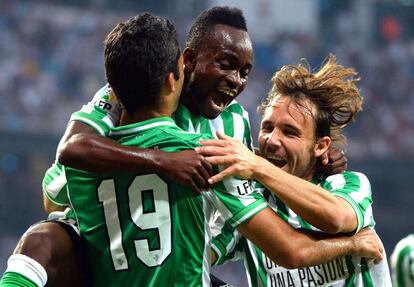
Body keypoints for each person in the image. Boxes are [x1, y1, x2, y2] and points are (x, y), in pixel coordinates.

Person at [0, 7, 378, 287]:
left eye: (244, 72)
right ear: (186, 62)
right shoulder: (125, 96)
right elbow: (69, 158)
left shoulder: (233, 125)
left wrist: (305, 162)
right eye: (227, 65)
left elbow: (58, 185)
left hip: (189, 249)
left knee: (40, 241)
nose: (235, 81)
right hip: (119, 253)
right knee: (47, 237)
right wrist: (161, 162)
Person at [197, 54, 392, 286]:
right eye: (267, 127)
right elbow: (192, 257)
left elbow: (335, 218)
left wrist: (257, 164)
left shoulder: (349, 185)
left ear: (321, 146)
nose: (272, 140)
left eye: (290, 132)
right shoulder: (252, 202)